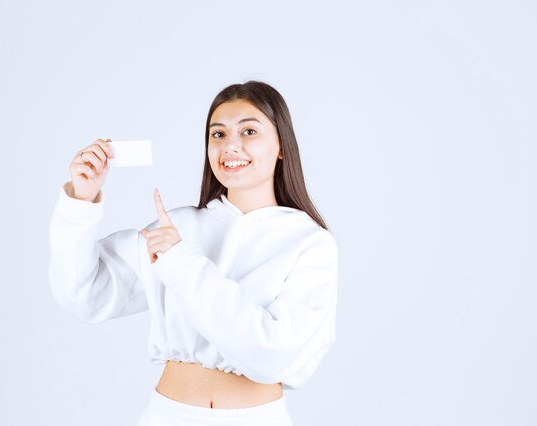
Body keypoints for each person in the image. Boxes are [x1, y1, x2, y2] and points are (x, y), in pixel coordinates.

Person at [48, 80, 339, 426]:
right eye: (218, 134)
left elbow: (269, 353)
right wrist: (81, 200)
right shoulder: (176, 228)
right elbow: (82, 293)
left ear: (281, 147)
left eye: (249, 131)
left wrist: (181, 263)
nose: (231, 145)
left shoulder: (309, 243)